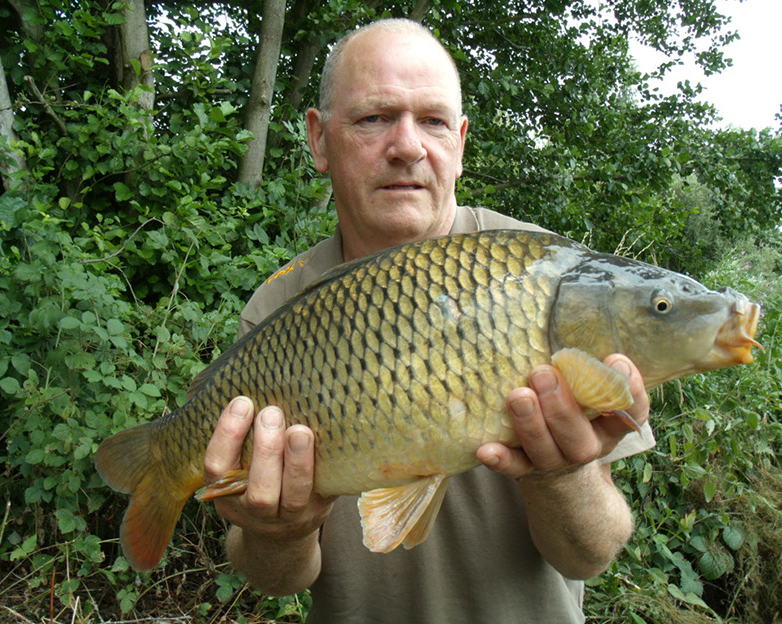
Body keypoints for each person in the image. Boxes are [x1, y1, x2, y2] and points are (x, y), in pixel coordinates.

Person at [203, 18, 655, 623]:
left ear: (460, 143)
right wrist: (279, 532)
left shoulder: (551, 275)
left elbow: (590, 554)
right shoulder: (278, 309)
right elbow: (275, 582)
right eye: (374, 117)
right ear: (319, 140)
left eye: (434, 121)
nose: (409, 146)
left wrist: (561, 476)